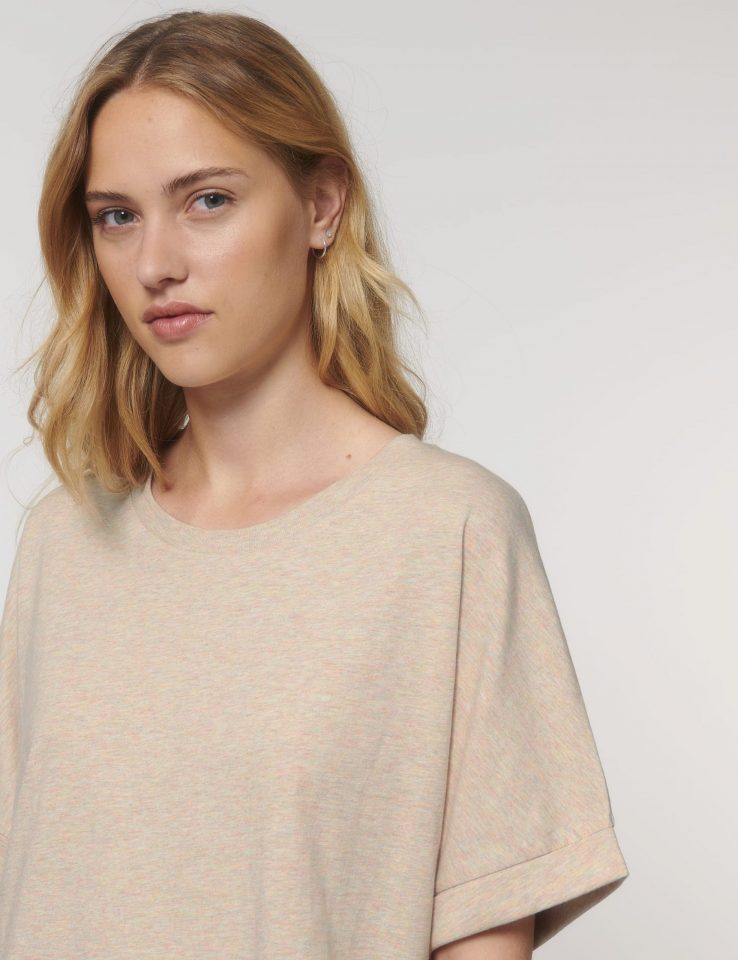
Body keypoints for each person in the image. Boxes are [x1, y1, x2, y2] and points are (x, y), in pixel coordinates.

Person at [0, 11, 629, 959]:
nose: (156, 265)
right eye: (116, 217)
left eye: (208, 200)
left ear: (323, 204)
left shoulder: (450, 533)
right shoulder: (64, 542)